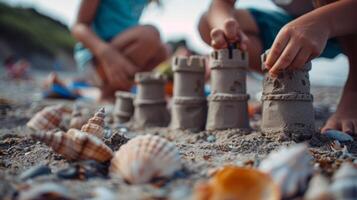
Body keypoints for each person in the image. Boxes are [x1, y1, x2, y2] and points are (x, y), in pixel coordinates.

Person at [198, 0, 357, 134]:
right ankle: (285, 87)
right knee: (207, 23)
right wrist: (226, 27)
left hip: (345, 18)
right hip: (294, 26)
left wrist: (326, 21)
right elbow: (221, 3)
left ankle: (353, 91)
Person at [71, 0, 168, 101]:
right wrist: (106, 53)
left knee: (163, 51)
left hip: (120, 54)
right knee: (150, 35)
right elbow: (78, 27)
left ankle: (116, 92)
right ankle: (111, 92)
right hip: (95, 57)